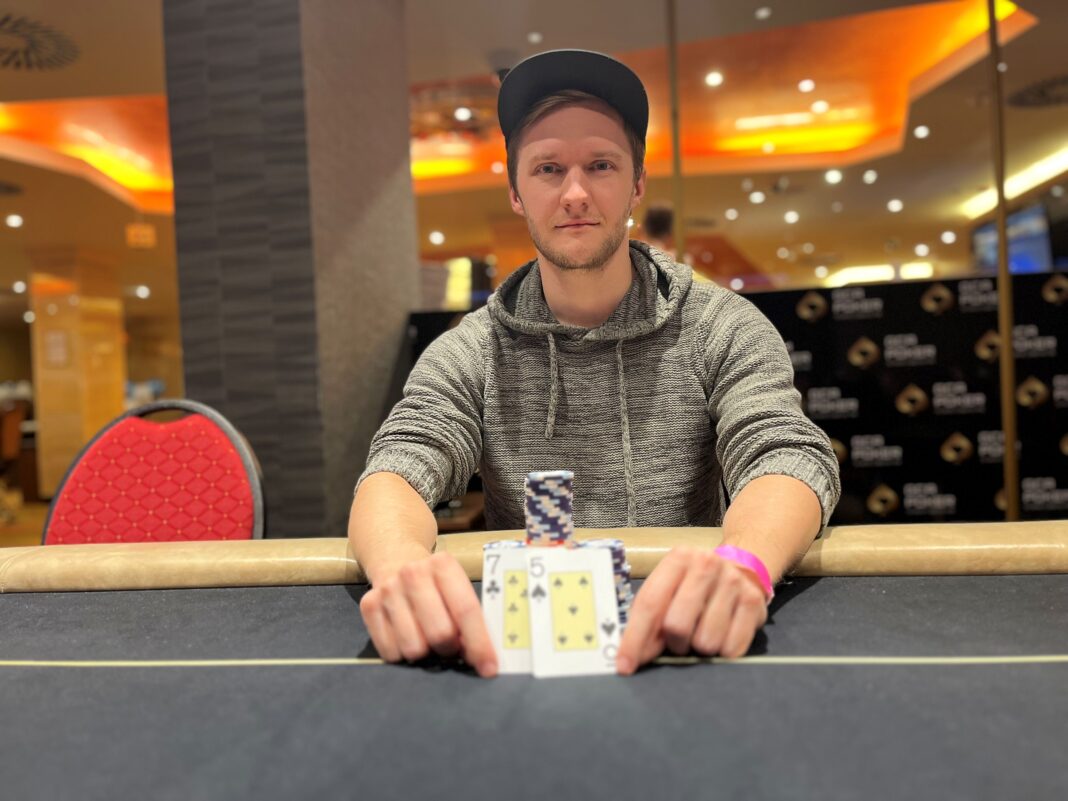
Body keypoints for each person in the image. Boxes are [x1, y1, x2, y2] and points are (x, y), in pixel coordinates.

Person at [348, 49, 840, 678]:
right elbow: (397, 467)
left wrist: (744, 566)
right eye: (548, 168)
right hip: (526, 646)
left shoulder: (722, 324)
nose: (575, 193)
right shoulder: (470, 349)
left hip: (682, 635)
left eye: (601, 165)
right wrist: (400, 569)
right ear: (516, 192)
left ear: (637, 183)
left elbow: (785, 455)